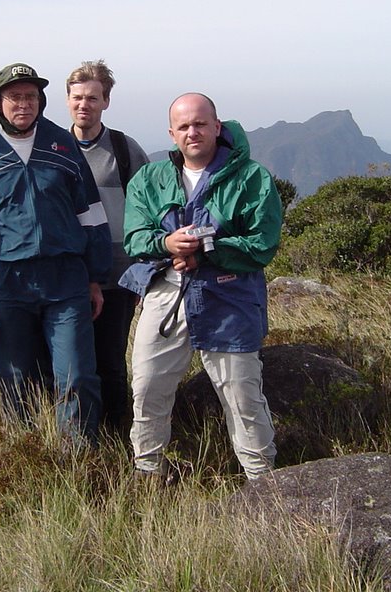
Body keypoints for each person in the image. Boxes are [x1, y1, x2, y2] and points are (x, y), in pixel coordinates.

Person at [120, 93, 283, 480]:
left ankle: (264, 486)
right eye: (183, 126)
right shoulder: (150, 178)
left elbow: (262, 244)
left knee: (242, 396)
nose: (192, 132)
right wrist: (165, 244)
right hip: (167, 294)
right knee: (146, 389)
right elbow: (134, 236)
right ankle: (149, 473)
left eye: (200, 124)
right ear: (172, 133)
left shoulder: (251, 178)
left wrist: (207, 249)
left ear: (216, 126)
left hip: (228, 295)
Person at [0, 63, 111, 443]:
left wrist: (94, 277)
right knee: (16, 378)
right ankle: (27, 457)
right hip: (8, 283)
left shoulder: (61, 144)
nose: (24, 104)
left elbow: (91, 213)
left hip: (66, 278)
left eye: (31, 97)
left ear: (41, 101)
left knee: (76, 374)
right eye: (15, 96)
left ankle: (79, 458)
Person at [65, 60, 149, 435]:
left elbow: (150, 209)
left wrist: (146, 272)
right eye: (78, 97)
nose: (85, 105)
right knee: (71, 361)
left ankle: (118, 434)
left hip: (116, 274)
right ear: (67, 100)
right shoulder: (53, 147)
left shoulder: (123, 149)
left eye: (93, 98)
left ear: (106, 102)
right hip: (65, 273)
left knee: (110, 360)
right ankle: (81, 432)